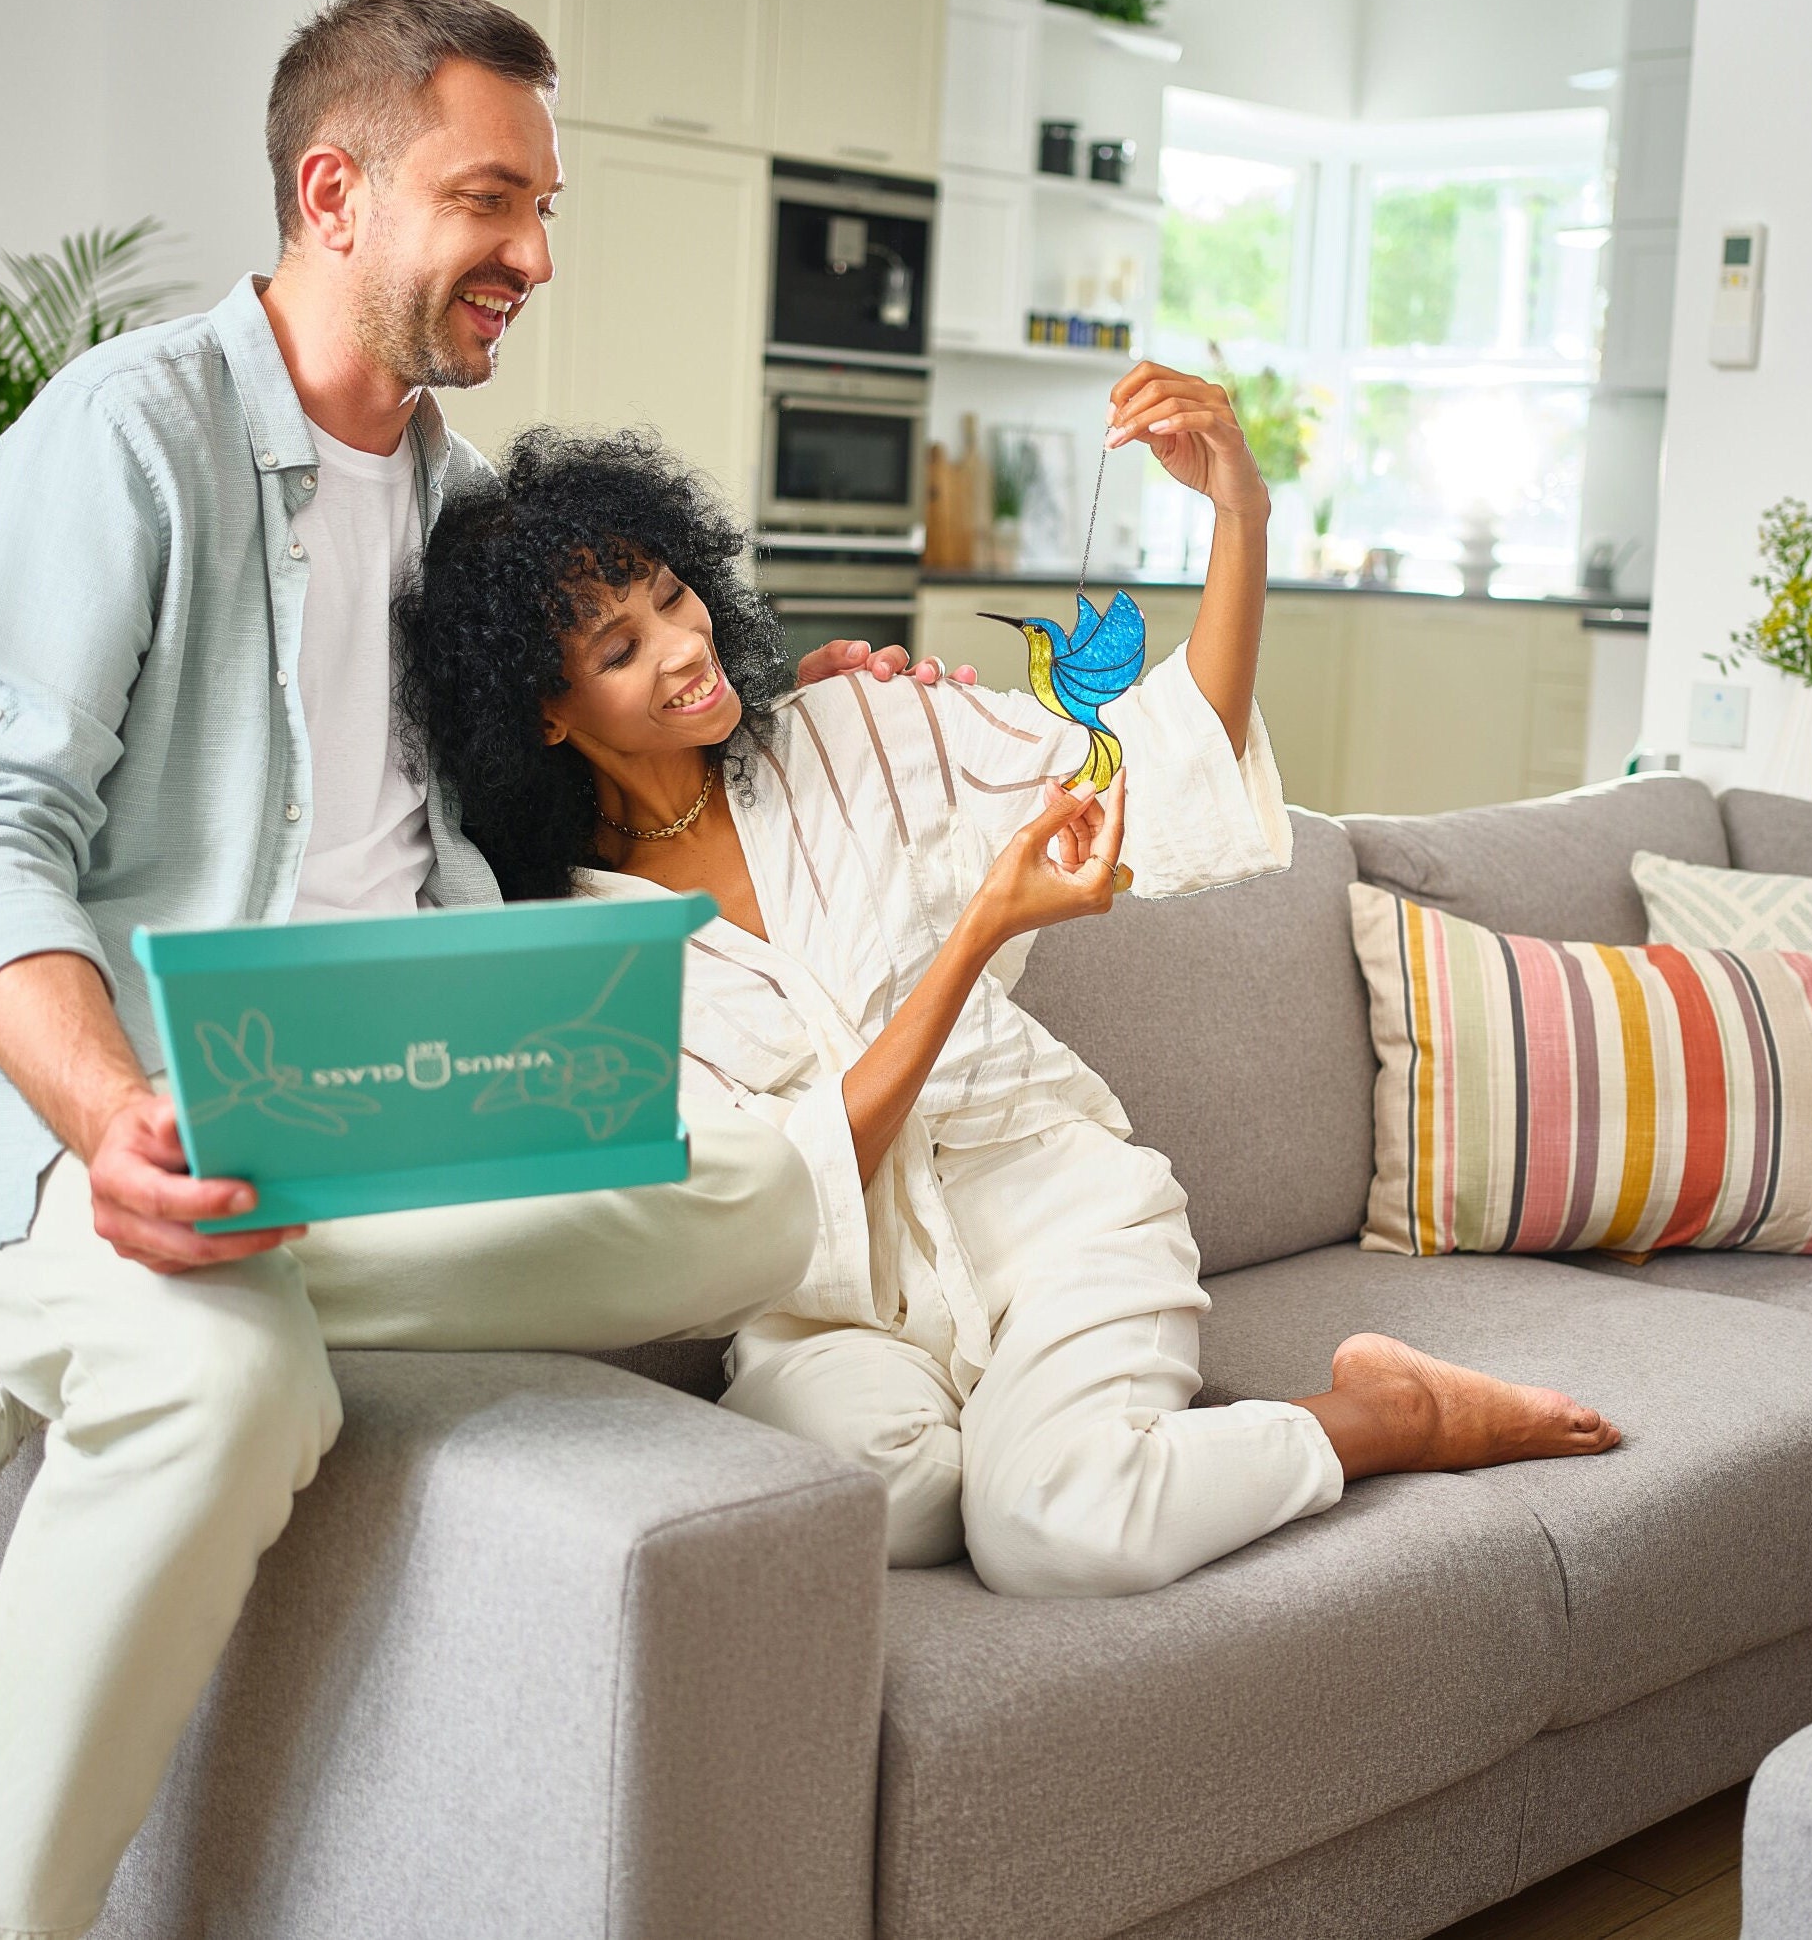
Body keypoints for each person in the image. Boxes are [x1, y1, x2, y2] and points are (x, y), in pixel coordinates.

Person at [0, 0, 947, 1940]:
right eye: (494, 202)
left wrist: (812, 704)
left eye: (544, 207)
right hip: (118, 1112)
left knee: (753, 1189)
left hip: (384, 1106)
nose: (536, 258)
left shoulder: (467, 513)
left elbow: (613, 738)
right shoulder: (123, 443)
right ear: (337, 191)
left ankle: (148, 1285)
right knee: (236, 1393)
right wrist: (111, 1117)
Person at [399, 372, 1623, 1604]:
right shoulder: (575, 953)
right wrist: (975, 932)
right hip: (833, 1306)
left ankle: (1389, 1413)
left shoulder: (856, 728)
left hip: (1046, 1205)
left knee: (1051, 1533)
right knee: (886, 1507)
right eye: (621, 647)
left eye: (674, 595)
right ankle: (1079, 1437)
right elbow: (774, 1189)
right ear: (545, 715)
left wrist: (1239, 512)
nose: (683, 646)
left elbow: (1158, 753)